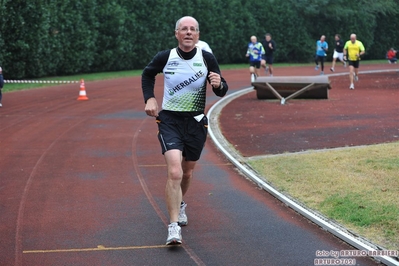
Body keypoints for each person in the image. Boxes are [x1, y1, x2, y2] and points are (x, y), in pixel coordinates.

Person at [141, 16, 228, 245]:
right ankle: (173, 227)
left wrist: (219, 84)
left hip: (196, 122)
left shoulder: (206, 58)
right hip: (169, 120)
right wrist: (150, 98)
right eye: (184, 29)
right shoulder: (165, 57)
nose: (188, 32)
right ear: (177, 33)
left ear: (197, 35)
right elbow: (147, 74)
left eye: (192, 29)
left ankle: (180, 204)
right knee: (175, 172)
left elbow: (221, 90)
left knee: (187, 173)